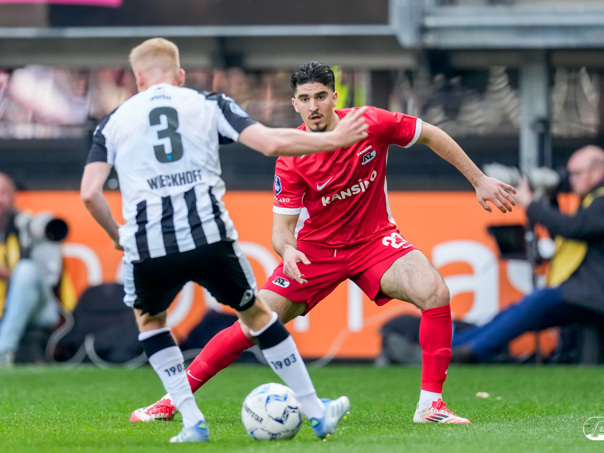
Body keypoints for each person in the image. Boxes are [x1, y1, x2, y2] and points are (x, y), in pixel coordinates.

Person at [130, 61, 516, 426]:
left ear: (334, 97)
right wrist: (288, 250)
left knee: (435, 291)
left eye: (320, 96)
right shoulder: (291, 157)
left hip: (375, 242)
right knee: (252, 324)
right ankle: (171, 400)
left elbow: (430, 133)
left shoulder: (370, 122)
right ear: (294, 104)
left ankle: (431, 405)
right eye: (305, 99)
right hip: (316, 254)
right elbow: (281, 231)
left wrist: (479, 179)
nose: (313, 106)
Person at [80, 40, 368, 443]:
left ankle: (192, 422)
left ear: (139, 79)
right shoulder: (207, 103)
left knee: (151, 322)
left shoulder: (113, 122)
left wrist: (117, 236)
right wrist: (334, 140)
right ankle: (317, 413)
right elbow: (270, 143)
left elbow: (90, 193)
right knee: (258, 317)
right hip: (208, 235)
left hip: (148, 243)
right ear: (180, 76)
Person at [450, 145, 604, 363]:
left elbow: (575, 228)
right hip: (584, 293)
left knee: (534, 303)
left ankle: (469, 352)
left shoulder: (600, 201)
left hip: (591, 293)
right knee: (518, 312)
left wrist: (530, 204)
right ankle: (451, 347)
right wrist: (548, 199)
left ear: (597, 171)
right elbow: (566, 233)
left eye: (576, 173)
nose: (571, 180)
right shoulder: (592, 201)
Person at [0, 173, 63, 367]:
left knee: (26, 270)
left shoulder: (33, 227)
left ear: (13, 195)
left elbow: (48, 278)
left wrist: (5, 273)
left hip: (41, 309)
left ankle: (3, 350)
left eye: (2, 193)